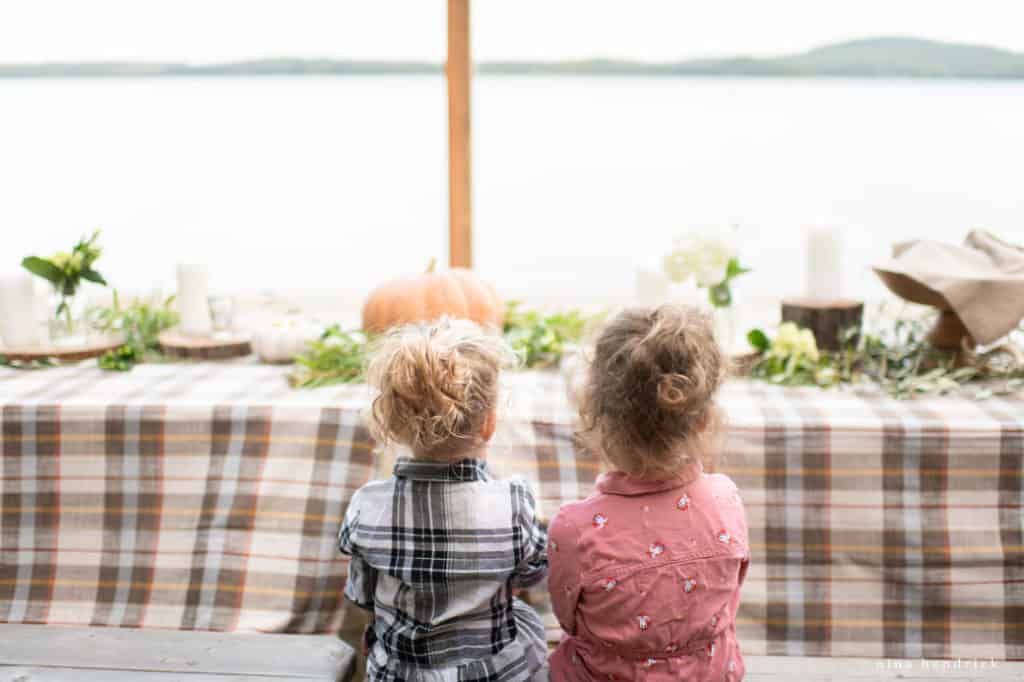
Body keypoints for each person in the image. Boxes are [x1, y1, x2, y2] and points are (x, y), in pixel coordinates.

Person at [339, 319, 549, 682]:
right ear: (489, 424)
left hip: (401, 674)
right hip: (494, 674)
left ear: (392, 420)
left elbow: (361, 594)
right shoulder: (513, 504)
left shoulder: (366, 506)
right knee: (524, 620)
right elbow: (532, 573)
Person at [548, 305, 749, 681]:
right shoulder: (726, 500)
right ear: (704, 418)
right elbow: (729, 597)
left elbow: (569, 619)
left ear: (593, 410)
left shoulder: (573, 529)